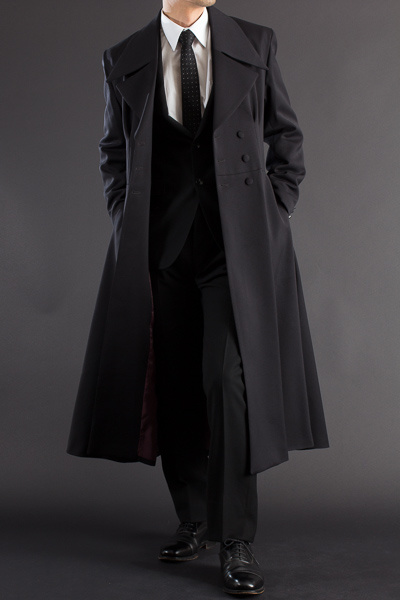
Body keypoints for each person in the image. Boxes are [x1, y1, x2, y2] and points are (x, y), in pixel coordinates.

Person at [66, 1, 329, 595]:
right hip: (161, 245)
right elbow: (113, 152)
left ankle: (235, 536)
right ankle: (194, 518)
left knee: (225, 378)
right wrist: (125, 217)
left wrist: (276, 210)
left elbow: (286, 135)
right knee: (178, 380)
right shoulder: (123, 57)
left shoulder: (255, 42)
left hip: (235, 246)